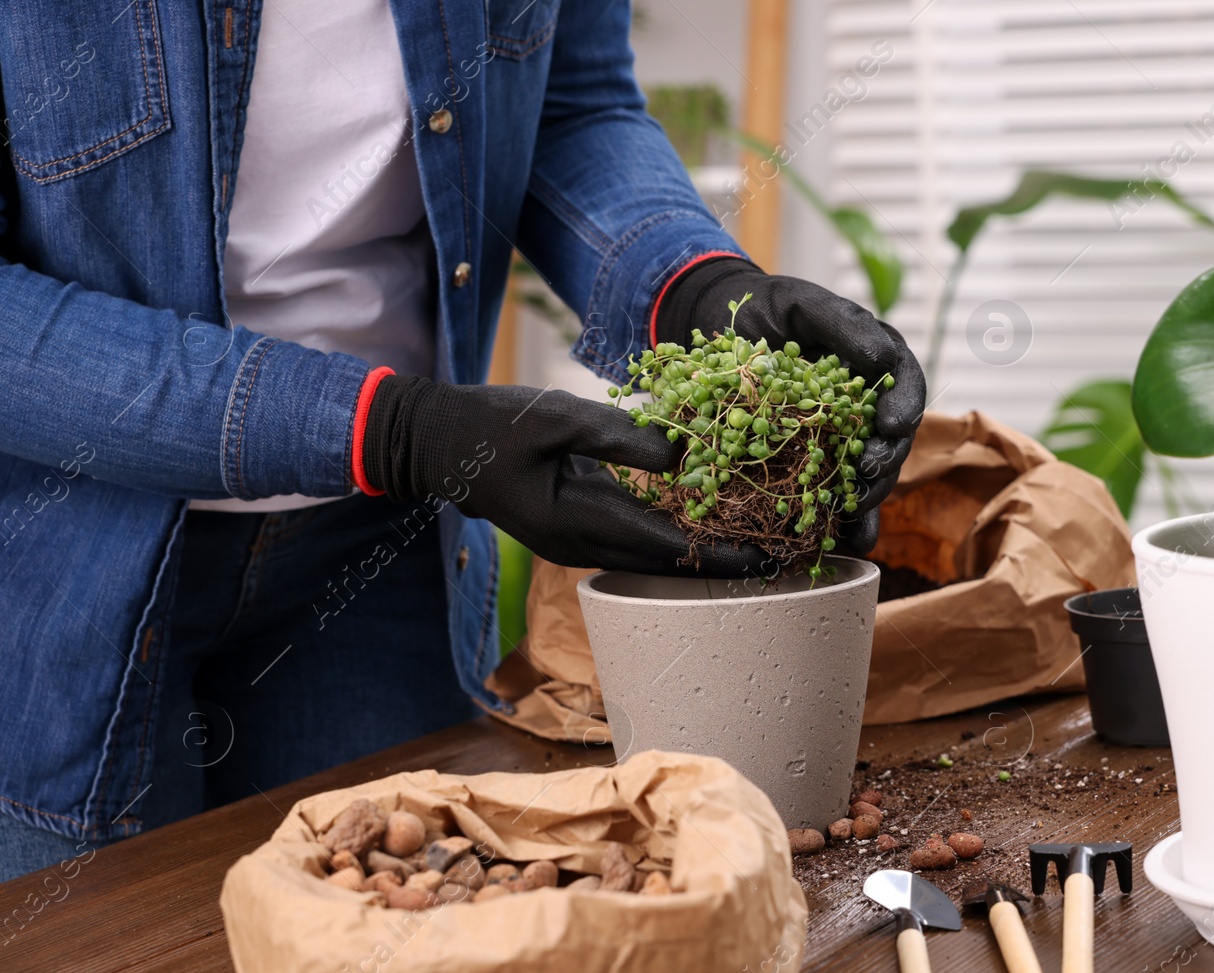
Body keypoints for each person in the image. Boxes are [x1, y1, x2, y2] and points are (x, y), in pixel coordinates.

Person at [0, 0, 923, 881]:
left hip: (379, 558)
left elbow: (571, 105)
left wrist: (691, 289)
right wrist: (398, 431)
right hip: (62, 573)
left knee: (387, 971)